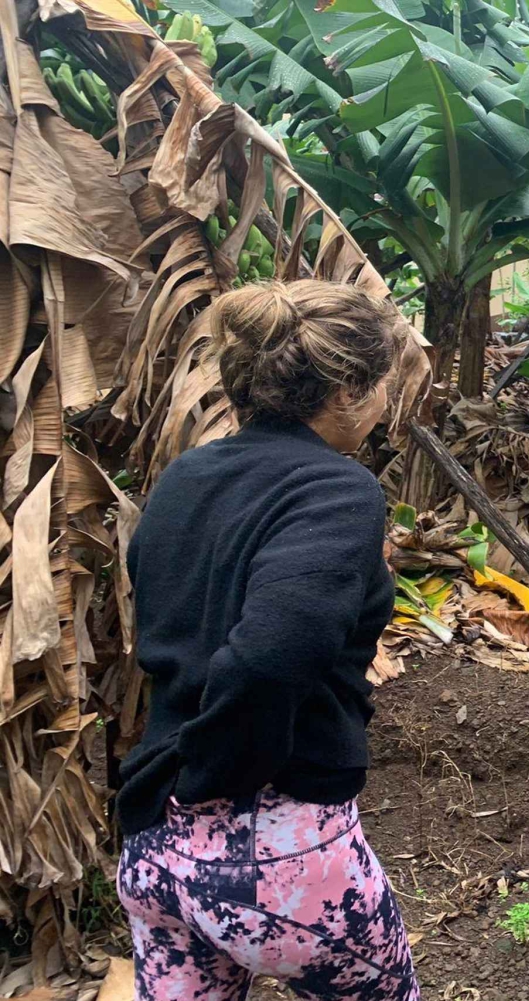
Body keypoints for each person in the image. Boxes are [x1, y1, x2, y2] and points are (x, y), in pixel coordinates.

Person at [114, 280, 419, 1001]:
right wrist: (215, 783)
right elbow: (274, 655)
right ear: (346, 390)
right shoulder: (336, 490)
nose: (387, 404)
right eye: (383, 385)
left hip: (152, 849)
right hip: (274, 858)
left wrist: (183, 789)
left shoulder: (186, 475)